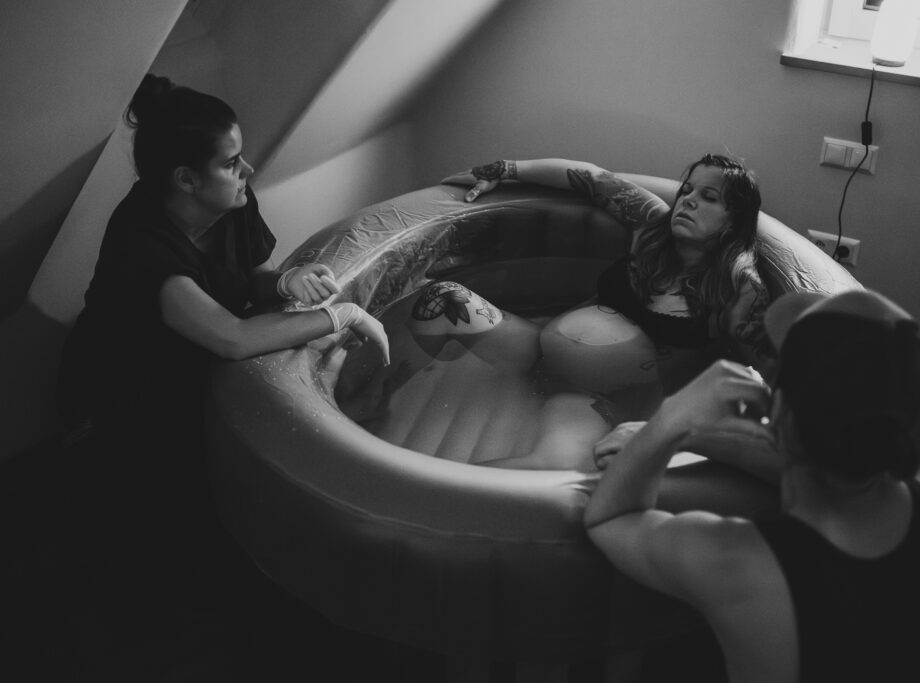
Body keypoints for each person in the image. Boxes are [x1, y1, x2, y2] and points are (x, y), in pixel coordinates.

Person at [57, 74, 389, 587]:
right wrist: (341, 316)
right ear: (187, 179)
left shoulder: (234, 202)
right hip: (124, 389)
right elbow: (231, 337)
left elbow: (254, 279)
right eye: (232, 163)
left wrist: (287, 280)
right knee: (159, 538)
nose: (247, 171)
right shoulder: (141, 242)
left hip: (188, 363)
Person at [584, 289, 920, 683]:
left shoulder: (738, 562)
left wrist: (670, 420)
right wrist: (705, 438)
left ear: (782, 414)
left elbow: (608, 518)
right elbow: (830, 458)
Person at [338, 155, 770, 470]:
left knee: (553, 468)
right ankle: (376, 393)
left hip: (599, 400)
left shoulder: (739, 290)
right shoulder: (651, 230)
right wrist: (503, 171)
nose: (688, 201)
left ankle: (431, 498)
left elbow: (761, 372)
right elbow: (592, 179)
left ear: (734, 220)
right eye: (687, 190)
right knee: (442, 299)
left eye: (708, 197)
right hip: (536, 351)